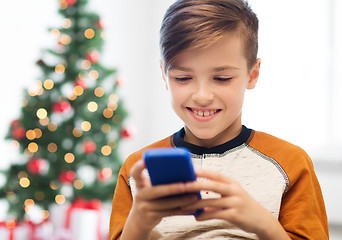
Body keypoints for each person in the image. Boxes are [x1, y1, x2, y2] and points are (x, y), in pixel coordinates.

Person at [109, 0, 329, 239]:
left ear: (252, 75)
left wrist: (263, 224)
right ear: (164, 75)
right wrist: (138, 224)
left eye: (222, 78)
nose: (202, 96)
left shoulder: (291, 164)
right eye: (183, 78)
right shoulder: (138, 171)